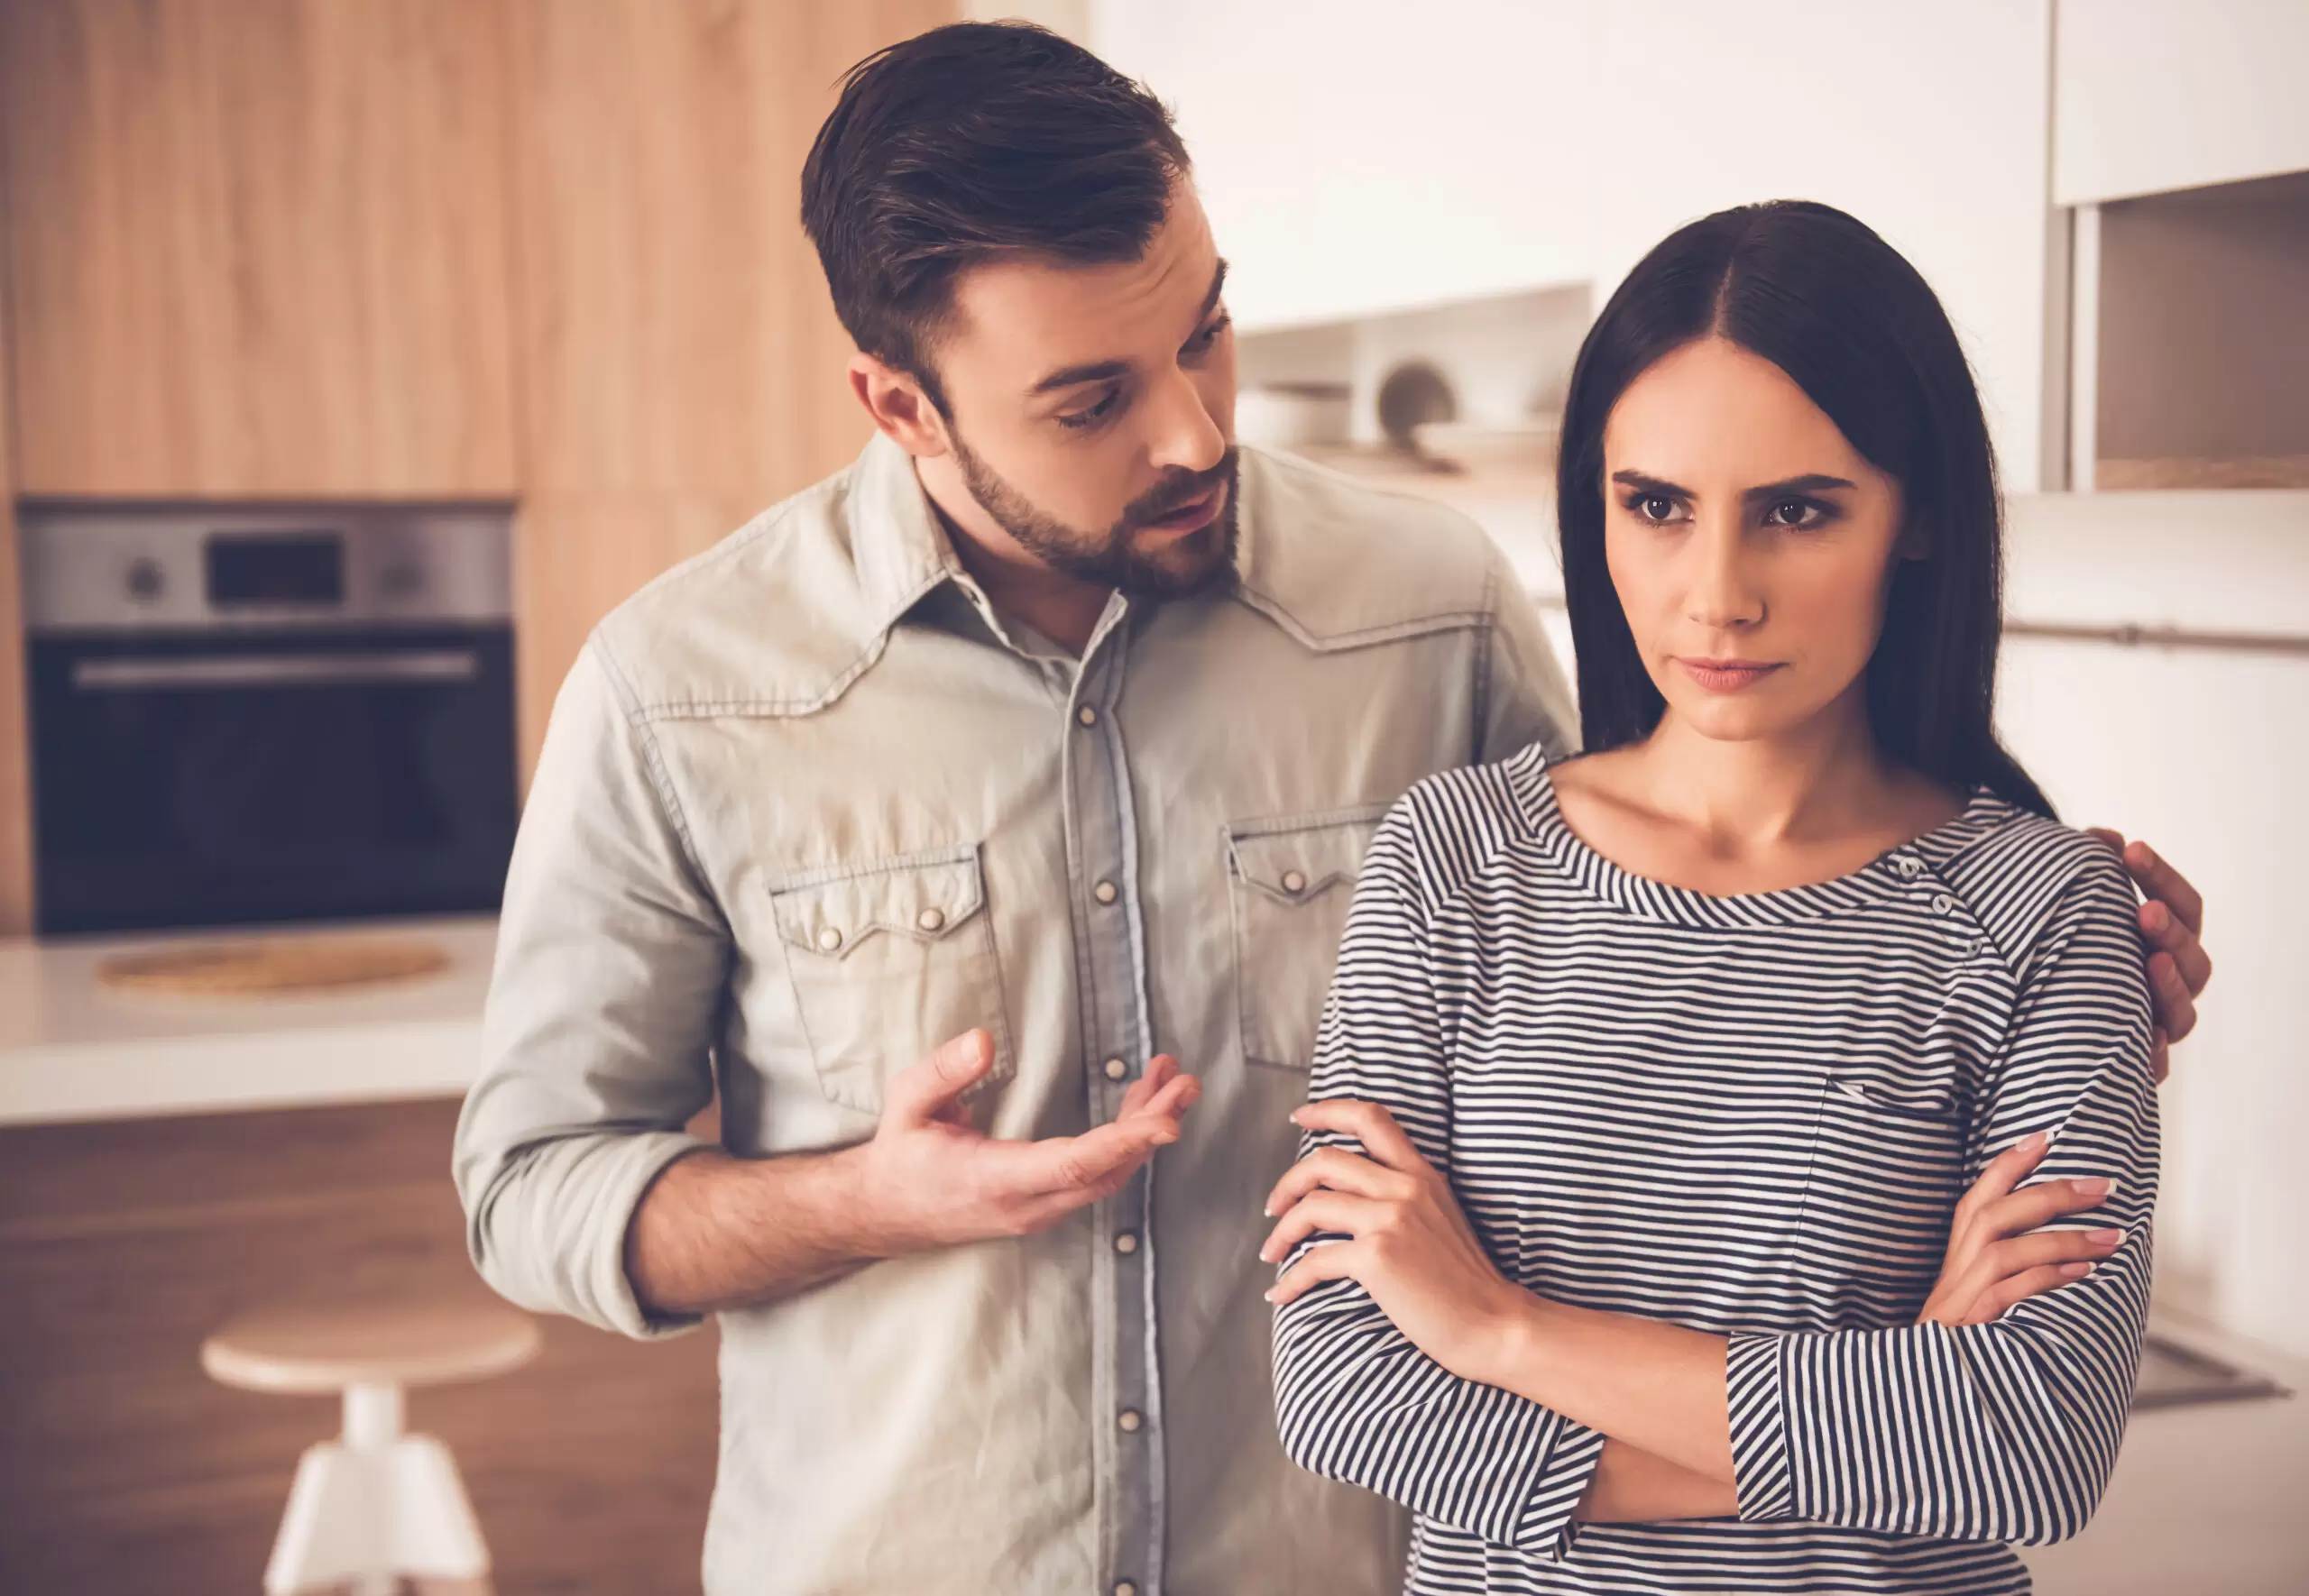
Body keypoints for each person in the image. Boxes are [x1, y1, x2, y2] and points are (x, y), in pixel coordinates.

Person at [452, 23, 2211, 1596]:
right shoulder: (680, 686)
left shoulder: (1423, 608)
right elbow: (531, 1185)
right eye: (1091, 400)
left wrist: (2061, 963)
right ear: (899, 406)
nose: (1195, 432)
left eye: (1204, 330)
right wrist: (866, 1201)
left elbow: (1692, 904)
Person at [1265, 200, 2166, 1595]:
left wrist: (1497, 1327)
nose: (1715, 595)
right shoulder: (1452, 862)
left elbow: (2031, 1442)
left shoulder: (2044, 910)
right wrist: (1892, 1400)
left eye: (1798, 511)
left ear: (1915, 516)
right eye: (1658, 507)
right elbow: (1344, 1389)